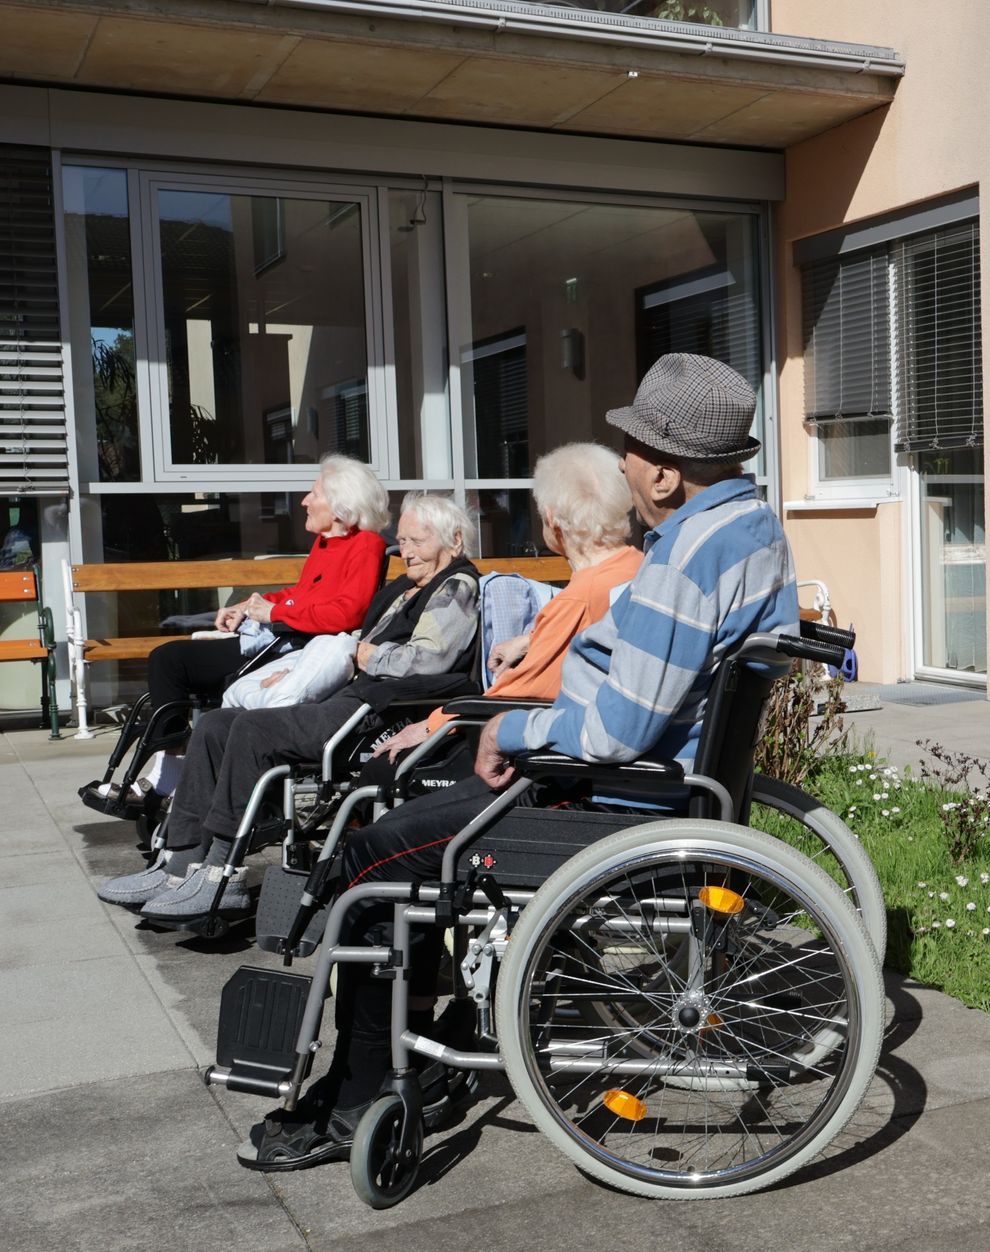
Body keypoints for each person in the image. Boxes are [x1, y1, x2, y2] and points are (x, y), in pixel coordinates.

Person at [237, 353, 797, 1173]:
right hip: (656, 789)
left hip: (607, 800)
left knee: (371, 861)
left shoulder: (686, 558)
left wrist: (518, 729)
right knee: (401, 836)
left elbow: (619, 728)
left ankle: (356, 1098)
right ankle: (423, 1040)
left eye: (634, 449)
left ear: (666, 473)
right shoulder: (753, 530)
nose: (625, 467)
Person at [95, 493, 482, 921]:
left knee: (253, 730)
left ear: (454, 540)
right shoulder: (407, 587)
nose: (406, 551)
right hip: (351, 697)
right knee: (216, 725)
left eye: (417, 542)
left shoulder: (456, 586)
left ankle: (222, 875)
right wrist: (300, 667)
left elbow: (428, 659)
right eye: (403, 541)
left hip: (381, 712)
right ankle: (179, 860)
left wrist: (361, 654)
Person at [364, 442, 642, 781]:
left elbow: (517, 694)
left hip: (554, 759)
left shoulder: (578, 599)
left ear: (551, 518)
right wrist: (531, 640)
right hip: (601, 741)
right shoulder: (637, 568)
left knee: (381, 775)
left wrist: (429, 726)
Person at [138, 456, 389, 745]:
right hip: (280, 638)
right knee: (168, 659)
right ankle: (171, 754)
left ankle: (171, 760)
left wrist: (274, 613)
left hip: (297, 647)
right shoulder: (325, 543)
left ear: (339, 505)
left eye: (314, 494)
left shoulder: (366, 545)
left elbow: (348, 614)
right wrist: (247, 607)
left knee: (170, 661)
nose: (304, 501)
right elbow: (301, 594)